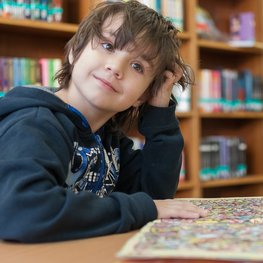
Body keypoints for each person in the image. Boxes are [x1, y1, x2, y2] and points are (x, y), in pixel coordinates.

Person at [0, 0, 207, 243]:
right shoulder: (34, 123)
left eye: (137, 66)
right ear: (74, 50)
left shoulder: (108, 139)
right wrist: (143, 209)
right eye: (108, 45)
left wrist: (159, 110)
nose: (115, 67)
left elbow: (153, 197)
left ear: (142, 95)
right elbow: (23, 212)